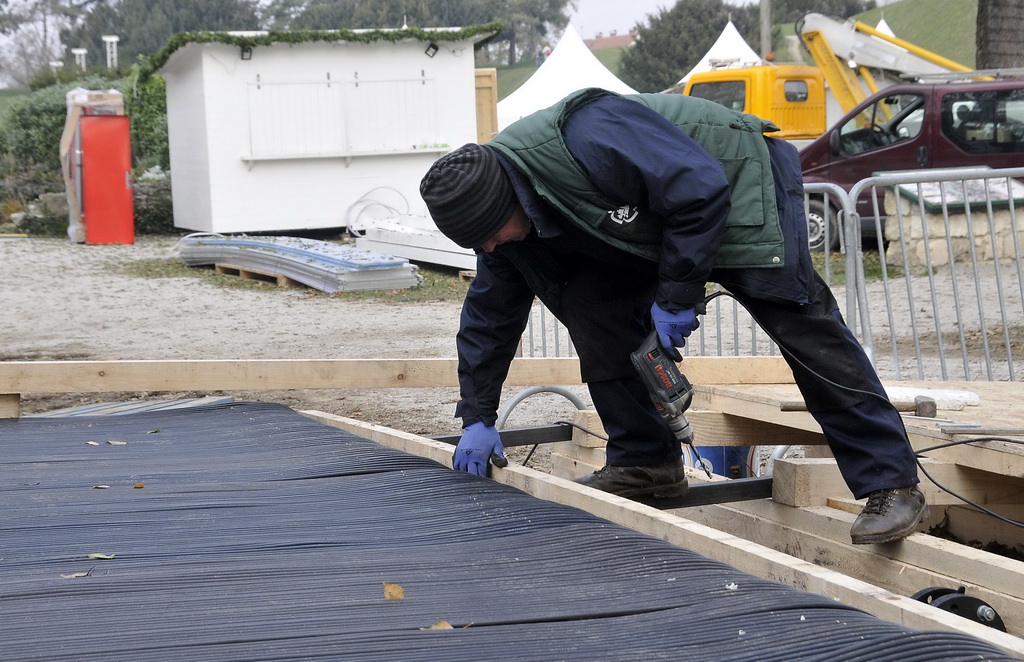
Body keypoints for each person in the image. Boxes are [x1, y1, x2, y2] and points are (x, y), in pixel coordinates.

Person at [418, 88, 928, 545]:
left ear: (511, 198)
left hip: (735, 179)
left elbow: (700, 189)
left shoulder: (590, 136)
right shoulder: (500, 222)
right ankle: (646, 463)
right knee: (596, 310)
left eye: (490, 233)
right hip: (663, 214)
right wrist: (478, 415)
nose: (487, 247)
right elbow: (488, 319)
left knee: (801, 326)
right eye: (477, 243)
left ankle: (891, 484)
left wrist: (676, 295)